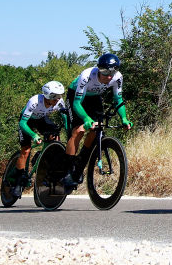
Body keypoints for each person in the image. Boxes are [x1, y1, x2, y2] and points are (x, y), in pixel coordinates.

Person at [62, 53, 132, 191]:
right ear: (99, 69)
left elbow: (118, 100)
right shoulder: (87, 76)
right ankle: (68, 171)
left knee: (96, 130)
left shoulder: (117, 77)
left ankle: (80, 163)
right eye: (106, 72)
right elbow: (77, 103)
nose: (109, 76)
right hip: (76, 98)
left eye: (113, 72)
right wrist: (86, 118)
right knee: (79, 130)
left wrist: (124, 118)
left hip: (94, 98)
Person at [11, 81, 69, 199]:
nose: (57, 100)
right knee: (26, 150)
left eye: (59, 96)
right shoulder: (34, 101)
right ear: (47, 95)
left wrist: (69, 133)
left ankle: (42, 155)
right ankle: (17, 182)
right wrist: (33, 135)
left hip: (41, 119)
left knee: (54, 135)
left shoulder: (59, 102)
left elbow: (66, 118)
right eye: (55, 97)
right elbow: (22, 123)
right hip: (27, 122)